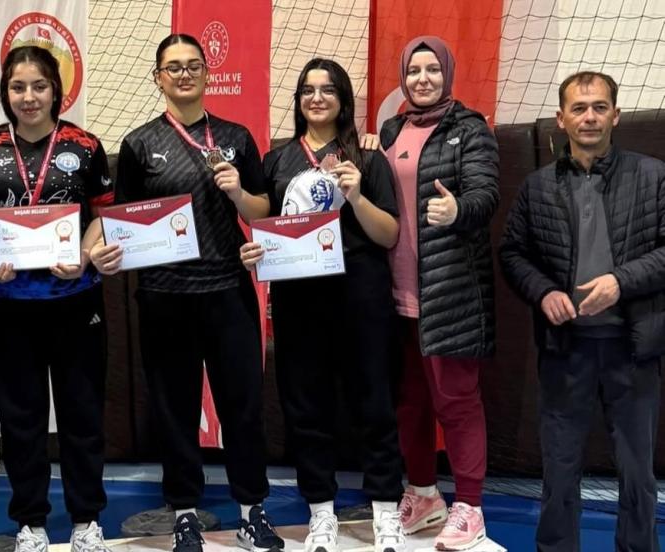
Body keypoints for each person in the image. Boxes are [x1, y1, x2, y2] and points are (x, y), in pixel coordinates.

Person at [88, 34, 283, 552]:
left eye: (193, 65)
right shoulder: (138, 143)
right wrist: (108, 252)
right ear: (158, 77)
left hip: (228, 292)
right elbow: (122, 222)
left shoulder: (236, 137)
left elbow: (263, 213)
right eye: (173, 67)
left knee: (243, 408)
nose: (184, 74)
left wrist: (238, 191)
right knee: (173, 412)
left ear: (206, 73)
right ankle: (184, 515)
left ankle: (251, 512)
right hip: (164, 297)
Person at [239, 57, 405, 552]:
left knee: (374, 402)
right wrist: (255, 252)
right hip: (299, 299)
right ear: (298, 100)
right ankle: (321, 514)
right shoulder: (277, 161)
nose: (317, 98)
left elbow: (389, 234)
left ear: (343, 99)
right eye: (307, 90)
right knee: (306, 406)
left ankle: (386, 512)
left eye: (327, 89)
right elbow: (267, 227)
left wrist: (356, 197)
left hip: (361, 294)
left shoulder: (367, 158)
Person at [499, 71, 665, 552]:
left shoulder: (654, 176)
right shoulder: (537, 187)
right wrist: (543, 291)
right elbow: (513, 252)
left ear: (616, 114)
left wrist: (621, 282)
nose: (589, 117)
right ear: (561, 118)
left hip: (632, 350)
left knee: (638, 475)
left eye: (599, 107)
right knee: (559, 471)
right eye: (579, 108)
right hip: (565, 350)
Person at [0, 46, 113, 552]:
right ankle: (30, 522)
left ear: (56, 90)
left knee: (82, 416)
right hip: (9, 304)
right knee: (21, 421)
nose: (28, 97)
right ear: (5, 92)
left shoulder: (85, 145)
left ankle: (86, 521)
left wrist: (85, 257)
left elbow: (103, 212)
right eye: (17, 87)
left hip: (76, 301)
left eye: (38, 86)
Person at [365, 35, 499, 550]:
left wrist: (458, 209)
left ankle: (470, 506)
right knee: (410, 401)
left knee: (457, 401)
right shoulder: (392, 130)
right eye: (414, 71)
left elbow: (486, 195)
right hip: (395, 291)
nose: (423, 79)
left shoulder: (470, 128)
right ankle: (423, 494)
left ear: (447, 74)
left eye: (432, 70)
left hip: (450, 292)